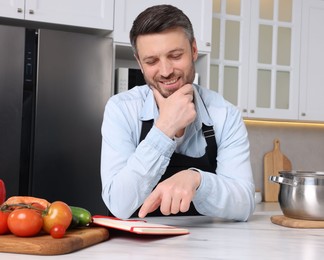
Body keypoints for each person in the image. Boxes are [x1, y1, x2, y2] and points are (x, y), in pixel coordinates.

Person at [100, 4, 255, 221]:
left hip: (203, 246)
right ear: (139, 63)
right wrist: (165, 129)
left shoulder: (225, 115)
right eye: (151, 61)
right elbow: (118, 204)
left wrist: (197, 180)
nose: (165, 71)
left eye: (174, 56)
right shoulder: (121, 109)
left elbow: (245, 204)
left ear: (193, 50)